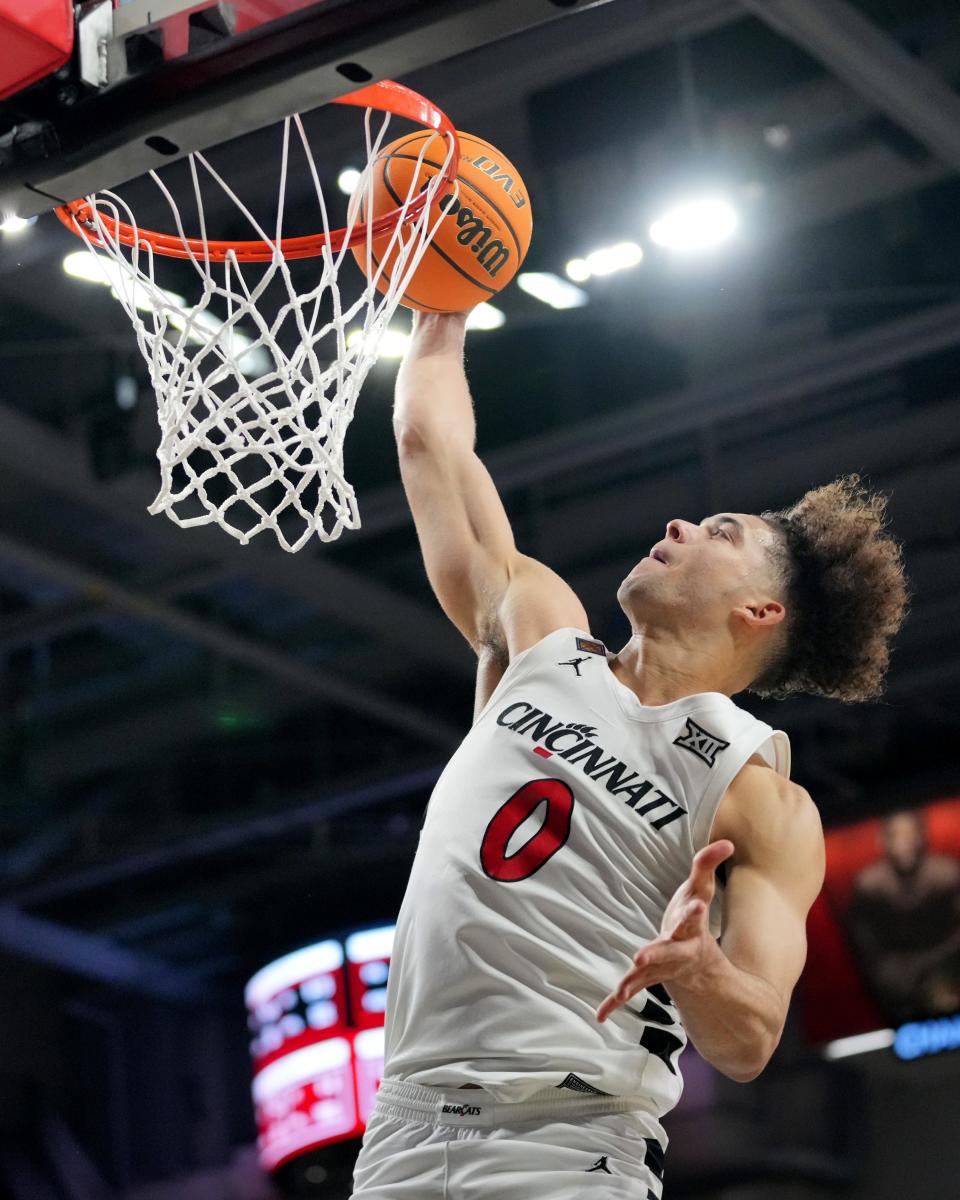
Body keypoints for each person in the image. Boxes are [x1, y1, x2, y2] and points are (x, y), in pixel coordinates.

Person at [349, 311, 909, 1199]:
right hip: (401, 1135)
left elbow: (753, 1038)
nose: (683, 524)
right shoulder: (537, 634)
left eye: (721, 533)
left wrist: (700, 968)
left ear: (761, 612)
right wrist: (440, 314)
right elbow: (427, 442)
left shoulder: (757, 795)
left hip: (566, 1146)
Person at [845, 809, 960, 1024]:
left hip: (944, 966)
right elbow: (864, 947)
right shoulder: (869, 885)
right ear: (882, 840)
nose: (903, 844)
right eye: (895, 835)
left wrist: (937, 966)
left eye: (909, 834)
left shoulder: (947, 875)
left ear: (922, 836)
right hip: (894, 978)